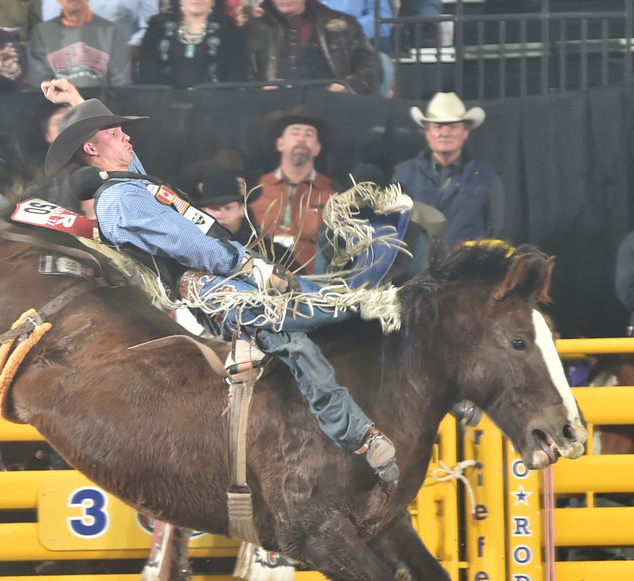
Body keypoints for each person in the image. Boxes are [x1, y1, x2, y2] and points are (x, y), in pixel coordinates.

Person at [42, 77, 400, 484]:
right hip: (209, 287)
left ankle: (380, 348)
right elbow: (191, 246)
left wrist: (78, 104)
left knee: (317, 299)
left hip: (228, 269)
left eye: (119, 129)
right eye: (113, 133)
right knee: (292, 329)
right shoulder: (121, 201)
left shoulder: (128, 182)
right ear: (92, 149)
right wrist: (248, 266)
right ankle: (360, 434)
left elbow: (125, 164)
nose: (126, 136)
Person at [392, 91, 505, 248]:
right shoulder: (403, 175)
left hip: (467, 263)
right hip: (417, 264)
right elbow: (394, 227)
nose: (445, 133)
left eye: (453, 127)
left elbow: (496, 232)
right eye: (438, 126)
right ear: (427, 132)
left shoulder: (488, 178)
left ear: (465, 132)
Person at [248, 105, 335, 273]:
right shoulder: (255, 189)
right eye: (295, 132)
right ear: (280, 144)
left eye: (309, 134)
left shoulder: (332, 193)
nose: (301, 138)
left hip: (311, 282)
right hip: (259, 278)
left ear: (317, 148)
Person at [243, 0, 377, 94]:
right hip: (272, 104)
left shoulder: (343, 24)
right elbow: (244, 74)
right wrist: (259, 90)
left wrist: (347, 86)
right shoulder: (253, 29)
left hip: (331, 101)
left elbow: (371, 64)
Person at [137, 0, 246, 87]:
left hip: (215, 104)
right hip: (163, 104)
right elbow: (149, 77)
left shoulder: (228, 29)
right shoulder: (157, 27)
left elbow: (234, 80)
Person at [26, 0, 131, 87]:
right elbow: (39, 85)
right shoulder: (41, 33)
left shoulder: (111, 31)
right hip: (56, 104)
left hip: (102, 104)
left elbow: (121, 86)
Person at [38, 0, 157, 49]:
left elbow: (150, 26)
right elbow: (52, 26)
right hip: (72, 61)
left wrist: (128, 49)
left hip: (127, 59)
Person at [197, 167, 253, 247]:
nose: (222, 215)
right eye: (214, 208)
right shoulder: (191, 250)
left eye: (228, 208)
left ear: (242, 209)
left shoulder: (264, 248)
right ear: (203, 211)